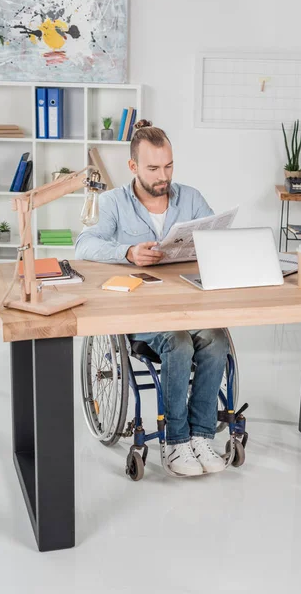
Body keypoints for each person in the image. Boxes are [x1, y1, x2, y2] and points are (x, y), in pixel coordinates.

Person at [75, 120, 229, 476]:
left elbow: (217, 237)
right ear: (133, 167)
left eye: (169, 165)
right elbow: (83, 244)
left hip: (188, 305)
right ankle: (175, 441)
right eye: (154, 168)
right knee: (178, 343)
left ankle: (202, 435)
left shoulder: (190, 197)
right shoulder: (112, 202)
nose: (164, 176)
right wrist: (127, 252)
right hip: (140, 312)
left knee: (217, 340)